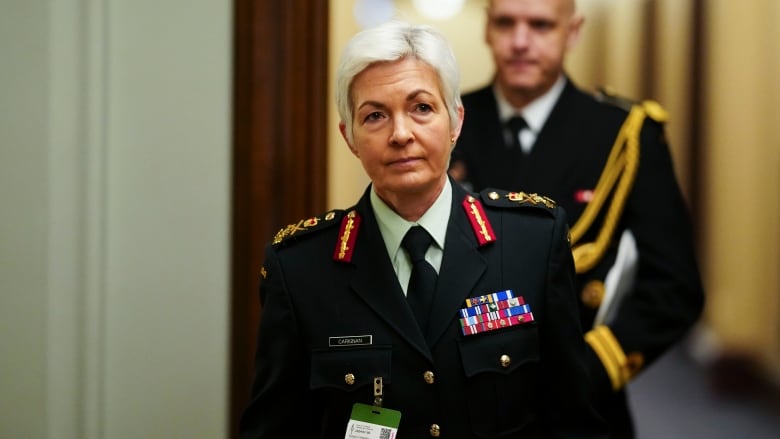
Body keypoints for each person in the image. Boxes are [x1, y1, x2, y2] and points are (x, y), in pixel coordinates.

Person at [239, 20, 607, 439]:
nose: (401, 134)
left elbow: (574, 420)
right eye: (375, 115)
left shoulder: (532, 242)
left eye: (422, 108)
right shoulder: (300, 268)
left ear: (455, 122)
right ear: (350, 136)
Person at [449, 0, 706, 437]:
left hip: (579, 400)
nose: (521, 41)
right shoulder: (446, 122)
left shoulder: (623, 133)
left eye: (541, 25)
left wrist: (585, 370)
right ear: (487, 29)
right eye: (506, 23)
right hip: (463, 395)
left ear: (573, 31)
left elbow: (674, 288)